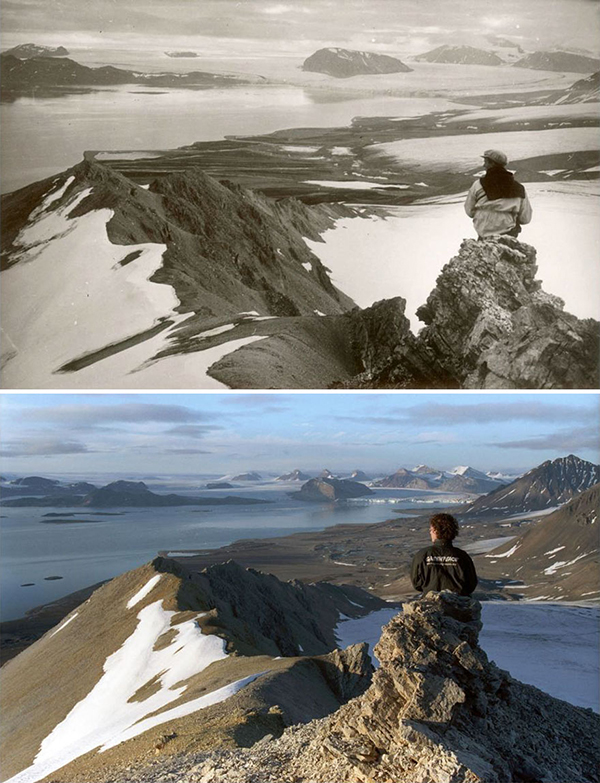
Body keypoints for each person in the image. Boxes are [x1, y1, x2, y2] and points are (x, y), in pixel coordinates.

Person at [464, 149, 532, 239]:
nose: (483, 165)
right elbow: (525, 218)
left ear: (492, 164)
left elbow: (469, 211)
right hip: (508, 236)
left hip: (483, 236)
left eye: (486, 162)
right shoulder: (519, 188)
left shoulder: (478, 185)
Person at [411, 513, 478, 596]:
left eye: (431, 530)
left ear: (435, 531)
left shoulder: (422, 555)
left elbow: (417, 583)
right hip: (458, 604)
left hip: (431, 603)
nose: (430, 533)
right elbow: (471, 584)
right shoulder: (462, 556)